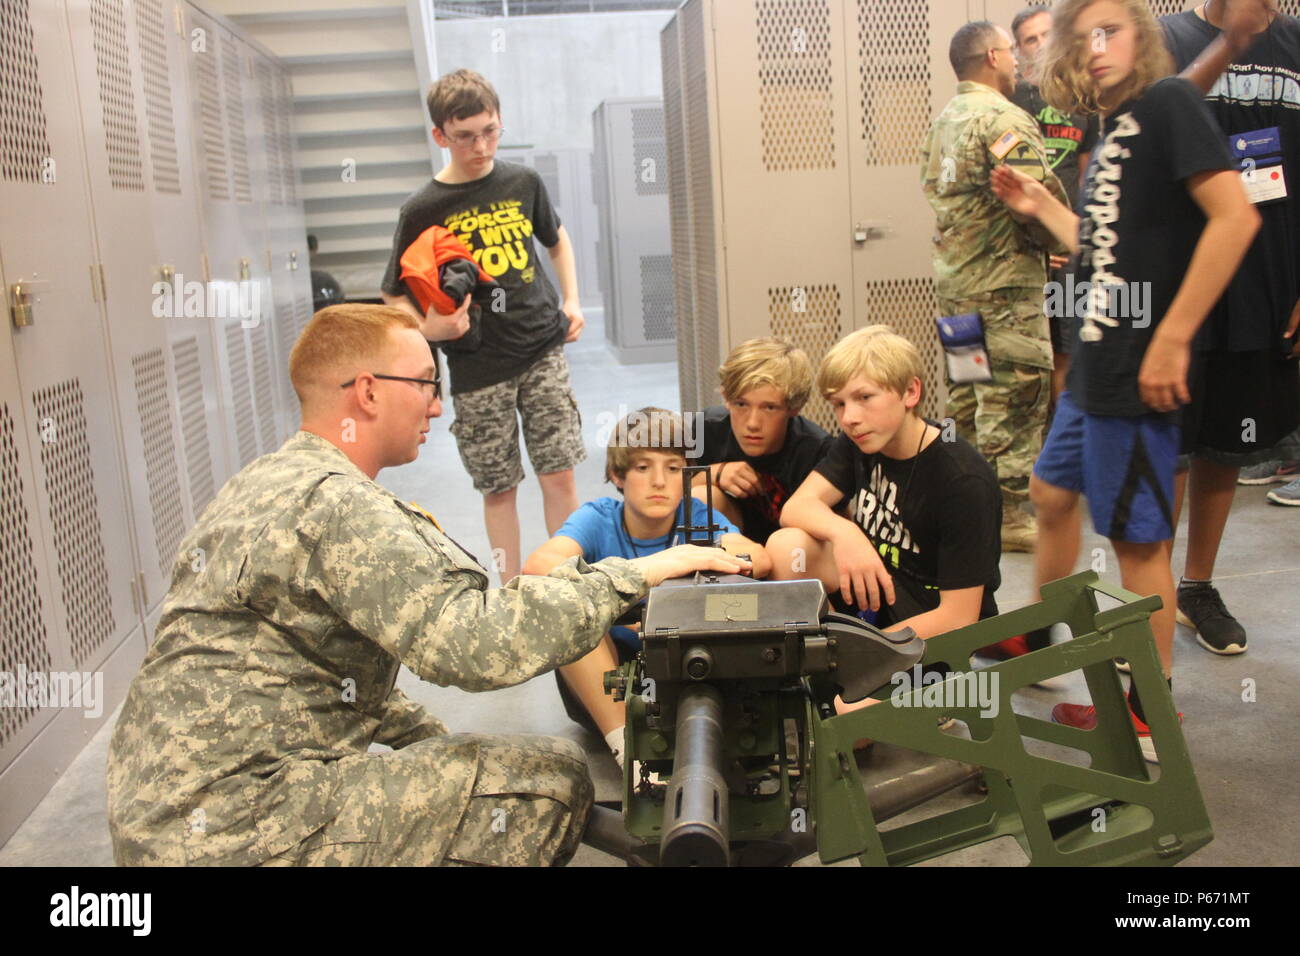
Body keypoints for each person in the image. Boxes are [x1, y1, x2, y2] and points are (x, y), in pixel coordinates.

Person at [105, 305, 746, 866]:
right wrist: (642, 572)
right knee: (546, 783)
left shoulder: (267, 482)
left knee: (470, 768)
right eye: (423, 385)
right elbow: (479, 644)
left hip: (169, 816)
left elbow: (324, 673)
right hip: (243, 827)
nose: (437, 405)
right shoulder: (340, 508)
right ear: (368, 392)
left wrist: (438, 746)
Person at [991, 0, 1261, 760]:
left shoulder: (1169, 104)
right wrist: (1043, 206)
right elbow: (1103, 249)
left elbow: (1235, 218)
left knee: (1138, 545)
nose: (1098, 47)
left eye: (1112, 30)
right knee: (1050, 496)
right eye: (1085, 37)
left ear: (1142, 38)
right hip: (1096, 367)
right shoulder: (1112, 130)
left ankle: (1151, 714)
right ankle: (1042, 634)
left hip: (1141, 368)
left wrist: (1174, 336)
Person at [380, 69, 587, 585]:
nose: (481, 145)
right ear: (440, 137)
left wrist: (573, 300)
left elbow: (557, 240)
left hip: (541, 345)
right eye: (466, 136)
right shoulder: (423, 208)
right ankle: (512, 589)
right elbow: (392, 295)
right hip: (477, 365)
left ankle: (573, 584)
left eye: (490, 131)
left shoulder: (523, 182)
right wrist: (430, 327)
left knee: (559, 472)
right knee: (499, 488)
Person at [1159, 0, 1300, 654]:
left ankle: (1197, 585)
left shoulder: (1296, 44)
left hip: (1266, 282)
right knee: (1172, 449)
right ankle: (1149, 592)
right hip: (1181, 288)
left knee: (1227, 443)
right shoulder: (1170, 38)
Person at [523, 408, 770, 766]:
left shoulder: (694, 516)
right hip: (608, 680)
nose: (659, 481)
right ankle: (628, 750)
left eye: (672, 468)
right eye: (642, 467)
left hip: (684, 672)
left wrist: (694, 568)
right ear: (617, 475)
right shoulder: (599, 517)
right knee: (567, 611)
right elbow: (538, 566)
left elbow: (756, 557)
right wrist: (628, 591)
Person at [766, 327, 1003, 676]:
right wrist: (846, 534)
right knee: (788, 548)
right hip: (879, 591)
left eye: (864, 398)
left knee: (845, 714)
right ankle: (832, 664)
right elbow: (796, 508)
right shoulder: (860, 440)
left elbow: (959, 616)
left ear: (910, 392)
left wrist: (860, 652)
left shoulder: (962, 480)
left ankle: (924, 684)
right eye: (839, 404)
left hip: (935, 624)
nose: (849, 417)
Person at [922, 21, 1070, 552]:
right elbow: (1036, 194)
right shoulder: (1004, 119)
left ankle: (968, 507)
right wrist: (1058, 231)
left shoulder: (943, 122)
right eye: (1011, 52)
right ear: (991, 55)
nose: (1016, 62)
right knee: (1014, 396)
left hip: (957, 291)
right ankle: (1007, 516)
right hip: (1005, 290)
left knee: (968, 396)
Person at [1010, 5, 1101, 404]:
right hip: (1025, 251)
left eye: (1048, 34)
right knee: (1027, 358)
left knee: (1067, 350)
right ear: (1019, 50)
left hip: (1067, 250)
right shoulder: (1011, 100)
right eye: (1031, 39)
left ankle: (1063, 454)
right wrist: (1042, 240)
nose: (1042, 45)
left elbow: (1088, 180)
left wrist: (1072, 236)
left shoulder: (1084, 100)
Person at [691, 338, 835, 543]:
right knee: (700, 496)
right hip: (732, 547)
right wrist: (712, 473)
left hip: (792, 554)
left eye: (769, 408)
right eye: (741, 404)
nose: (752, 423)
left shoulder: (816, 450)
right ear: (725, 398)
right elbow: (661, 490)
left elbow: (836, 524)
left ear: (794, 407)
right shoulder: (707, 428)